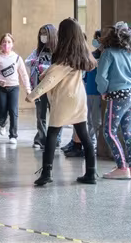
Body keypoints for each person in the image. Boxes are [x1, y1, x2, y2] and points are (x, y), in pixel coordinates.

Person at [25, 18, 97, 186]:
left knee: (52, 134)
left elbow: (50, 80)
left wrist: (32, 95)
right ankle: (91, 172)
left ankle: (46, 173)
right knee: (85, 136)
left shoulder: (64, 59)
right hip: (79, 99)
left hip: (65, 100)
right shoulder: (80, 56)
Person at [97, 22, 131, 180]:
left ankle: (122, 167)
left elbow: (101, 76)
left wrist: (104, 91)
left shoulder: (108, 53)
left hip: (117, 96)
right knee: (128, 132)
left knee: (109, 132)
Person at [0, 34, 31, 144]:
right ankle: (2, 123)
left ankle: (13, 135)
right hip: (0, 88)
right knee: (2, 110)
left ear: (12, 44)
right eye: (4, 42)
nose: (6, 44)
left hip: (14, 87)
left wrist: (28, 89)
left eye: (9, 42)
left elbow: (24, 74)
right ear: (0, 44)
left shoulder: (17, 58)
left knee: (13, 111)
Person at [67, 30, 103, 157]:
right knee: (88, 120)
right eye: (95, 38)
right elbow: (86, 74)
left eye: (99, 38)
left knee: (96, 121)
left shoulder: (106, 56)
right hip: (88, 91)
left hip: (99, 93)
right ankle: (90, 144)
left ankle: (97, 145)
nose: (96, 41)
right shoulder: (91, 55)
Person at [25, 24, 58, 150]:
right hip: (39, 87)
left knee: (55, 114)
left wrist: (43, 68)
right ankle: (41, 139)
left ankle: (55, 140)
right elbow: (28, 61)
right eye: (41, 34)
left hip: (53, 87)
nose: (43, 36)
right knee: (40, 115)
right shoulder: (38, 51)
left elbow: (58, 68)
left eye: (45, 33)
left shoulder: (58, 51)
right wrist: (35, 63)